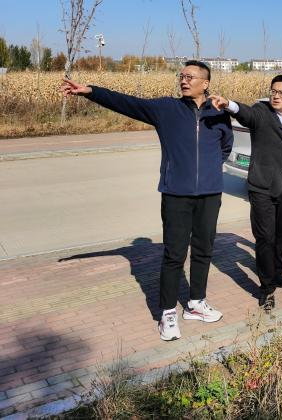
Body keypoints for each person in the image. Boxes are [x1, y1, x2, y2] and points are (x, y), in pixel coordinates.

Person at [61, 61, 233, 342]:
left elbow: (225, 146)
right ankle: (167, 313)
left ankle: (196, 303)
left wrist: (210, 170)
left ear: (206, 83)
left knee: (204, 250)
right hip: (176, 193)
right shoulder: (166, 109)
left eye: (190, 76)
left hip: (210, 194)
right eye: (181, 76)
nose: (184, 80)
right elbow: (126, 103)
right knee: (174, 255)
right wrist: (91, 91)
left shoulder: (219, 113)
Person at [209, 75, 282, 312]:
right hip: (262, 187)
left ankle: (279, 274)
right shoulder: (261, 112)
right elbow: (245, 114)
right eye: (273, 91)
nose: (276, 96)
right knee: (265, 238)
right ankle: (267, 287)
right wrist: (229, 104)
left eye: (281, 93)